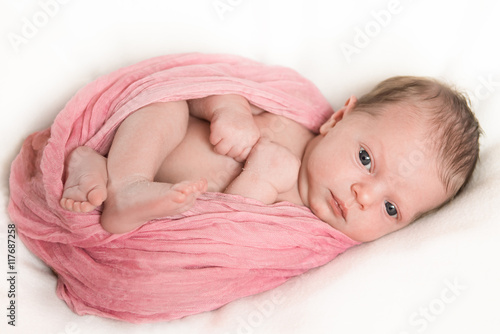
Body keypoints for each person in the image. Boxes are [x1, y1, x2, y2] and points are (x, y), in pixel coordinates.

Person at [59, 76, 481, 242]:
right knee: (163, 110)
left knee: (170, 214)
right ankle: (123, 177)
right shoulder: (286, 118)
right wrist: (230, 110)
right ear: (337, 119)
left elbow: (228, 238)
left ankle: (105, 184)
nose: (364, 197)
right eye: (366, 159)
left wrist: (260, 179)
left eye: (391, 208)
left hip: (164, 220)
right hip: (145, 137)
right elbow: (198, 85)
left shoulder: (303, 234)